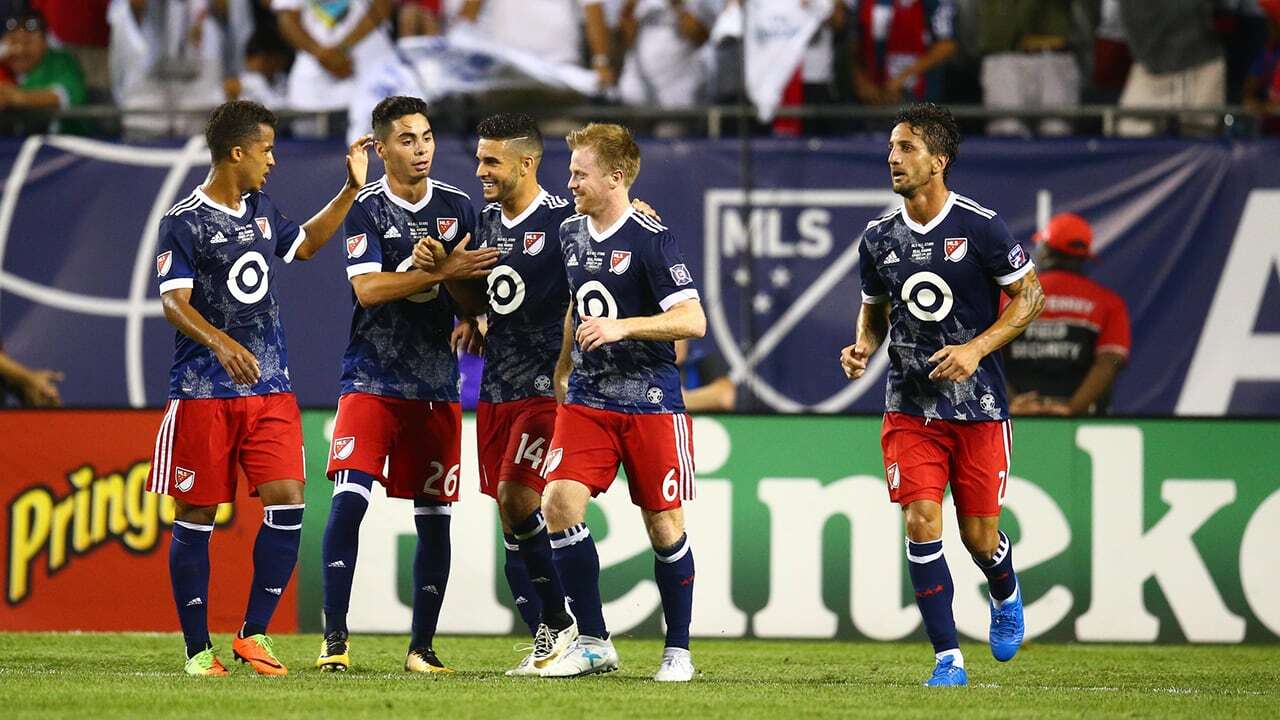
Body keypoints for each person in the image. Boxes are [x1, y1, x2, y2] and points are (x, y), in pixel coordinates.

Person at [148, 100, 372, 676]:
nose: (273, 160)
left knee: (289, 501)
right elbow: (173, 302)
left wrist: (349, 192)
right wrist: (220, 343)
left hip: (270, 389)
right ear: (237, 152)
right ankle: (199, 650)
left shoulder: (262, 209)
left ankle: (253, 634)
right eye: (267, 149)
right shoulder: (183, 220)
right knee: (197, 512)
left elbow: (305, 246)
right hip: (203, 393)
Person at [840, 103, 1044, 687]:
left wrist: (977, 349)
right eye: (891, 148)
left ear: (939, 160)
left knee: (978, 536)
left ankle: (1003, 590)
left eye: (906, 148)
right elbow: (874, 313)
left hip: (979, 409)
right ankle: (947, 657)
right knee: (921, 520)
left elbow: (1031, 297)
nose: (893, 158)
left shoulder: (981, 227)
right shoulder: (878, 238)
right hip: (910, 406)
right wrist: (861, 347)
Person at [317, 95, 496, 675]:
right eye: (407, 140)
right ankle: (335, 639)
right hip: (370, 376)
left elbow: (474, 294)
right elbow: (367, 290)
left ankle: (422, 648)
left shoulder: (459, 207)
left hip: (435, 385)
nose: (421, 150)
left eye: (426, 138)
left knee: (435, 517)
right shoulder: (367, 209)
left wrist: (465, 302)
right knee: (348, 504)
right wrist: (433, 271)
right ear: (382, 148)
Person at [538, 123, 704, 682]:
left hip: (652, 403)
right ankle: (593, 641)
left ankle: (677, 650)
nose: (570, 183)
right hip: (588, 398)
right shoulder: (569, 233)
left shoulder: (652, 238)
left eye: (579, 174)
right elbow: (576, 303)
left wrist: (622, 327)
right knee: (558, 503)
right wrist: (564, 363)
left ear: (615, 177)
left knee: (664, 526)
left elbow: (692, 320)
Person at [452, 113, 581, 676]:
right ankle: (547, 641)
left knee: (517, 496)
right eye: (480, 159)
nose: (480, 170)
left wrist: (567, 364)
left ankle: (565, 622)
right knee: (509, 519)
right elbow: (472, 294)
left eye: (491, 161)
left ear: (527, 163)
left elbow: (600, 270)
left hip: (540, 390)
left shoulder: (564, 222)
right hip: (495, 387)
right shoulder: (481, 223)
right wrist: (457, 283)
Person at [1004, 213, 1130, 416]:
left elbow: (984, 355)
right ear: (1084, 257)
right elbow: (1110, 361)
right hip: (1081, 422)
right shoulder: (1109, 302)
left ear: (1044, 250)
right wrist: (1071, 409)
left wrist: (1013, 404)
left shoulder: (1007, 296)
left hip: (1014, 417)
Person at [0, 9, 88, 134]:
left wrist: (17, 97)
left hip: (69, 144)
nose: (19, 50)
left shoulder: (60, 60)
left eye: (28, 42)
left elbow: (65, 94)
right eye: (13, 42)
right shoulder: (4, 64)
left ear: (45, 42)